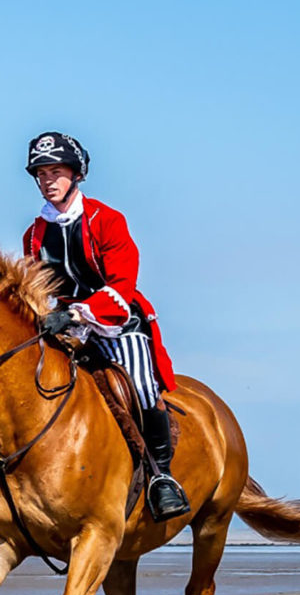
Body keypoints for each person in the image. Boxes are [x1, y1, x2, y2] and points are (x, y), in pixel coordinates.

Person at [22, 131, 190, 522]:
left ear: (76, 174)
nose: (48, 180)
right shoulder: (33, 235)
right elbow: (36, 286)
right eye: (41, 173)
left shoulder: (107, 220)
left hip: (115, 323)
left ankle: (160, 477)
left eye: (56, 171)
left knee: (143, 386)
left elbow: (122, 285)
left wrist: (79, 313)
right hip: (65, 328)